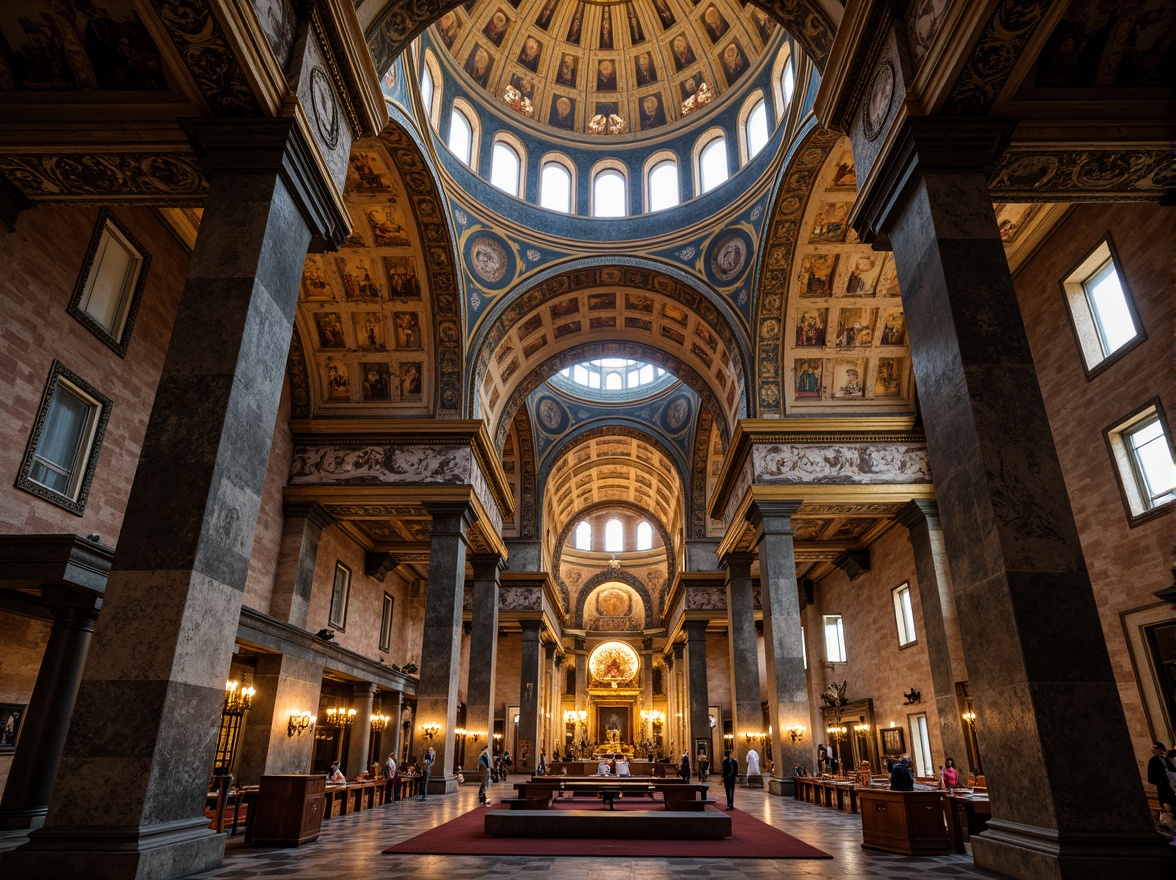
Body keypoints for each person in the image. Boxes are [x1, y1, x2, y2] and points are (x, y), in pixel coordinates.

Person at [1147, 741, 1176, 823]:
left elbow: (1172, 768)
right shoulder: (1153, 760)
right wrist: (1159, 781)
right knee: (1166, 802)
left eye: (1157, 749)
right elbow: (1151, 776)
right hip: (1162, 785)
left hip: (1170, 783)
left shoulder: (1165, 759)